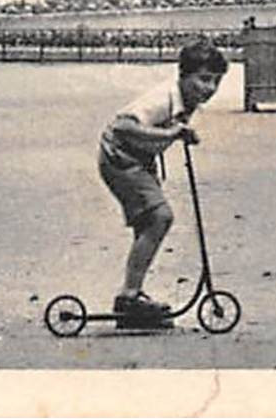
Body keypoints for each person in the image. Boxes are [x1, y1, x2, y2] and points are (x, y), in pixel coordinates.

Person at [96, 37, 227, 326]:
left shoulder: (187, 100)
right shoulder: (163, 97)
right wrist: (170, 135)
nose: (209, 89)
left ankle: (134, 298)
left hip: (139, 159)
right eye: (203, 79)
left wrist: (180, 133)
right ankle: (128, 297)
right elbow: (122, 125)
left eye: (216, 82)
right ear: (183, 75)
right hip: (120, 156)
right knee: (160, 217)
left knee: (149, 223)